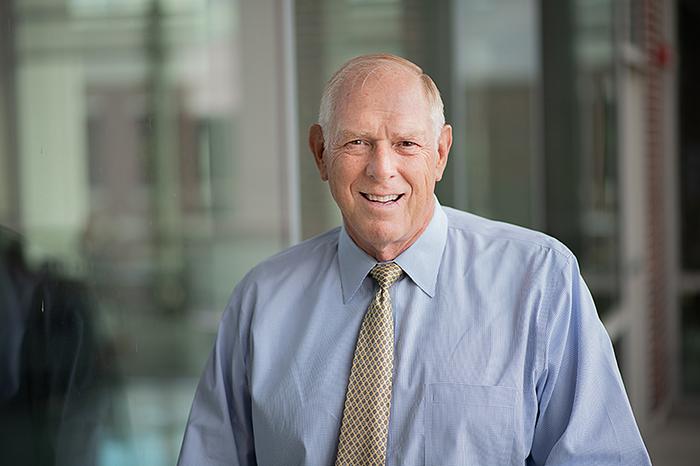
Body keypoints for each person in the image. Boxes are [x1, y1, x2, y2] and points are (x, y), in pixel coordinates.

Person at [178, 54, 651, 465]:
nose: (382, 169)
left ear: (440, 153)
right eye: (357, 142)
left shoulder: (541, 281)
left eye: (406, 143)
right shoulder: (261, 300)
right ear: (321, 154)